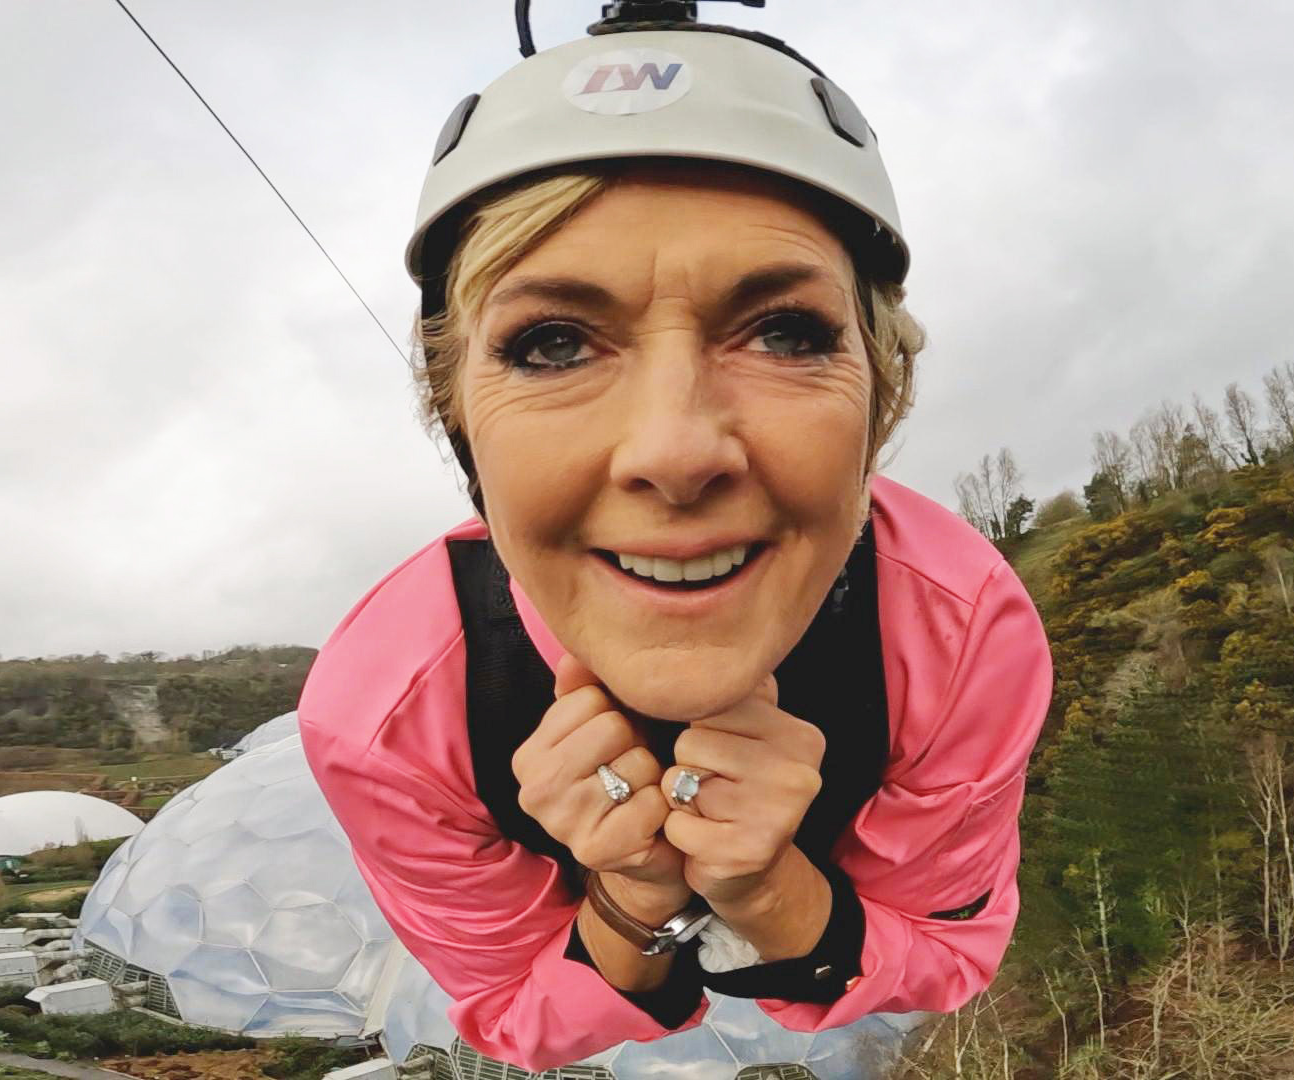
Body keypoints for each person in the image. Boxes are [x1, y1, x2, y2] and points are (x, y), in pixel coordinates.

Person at [299, 3, 1052, 1071]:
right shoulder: (388, 718)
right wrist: (633, 895)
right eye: (554, 344)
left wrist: (771, 890)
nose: (676, 449)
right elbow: (514, 1013)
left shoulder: (959, 633)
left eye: (787, 331)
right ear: (456, 417)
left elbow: (942, 957)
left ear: (882, 399)